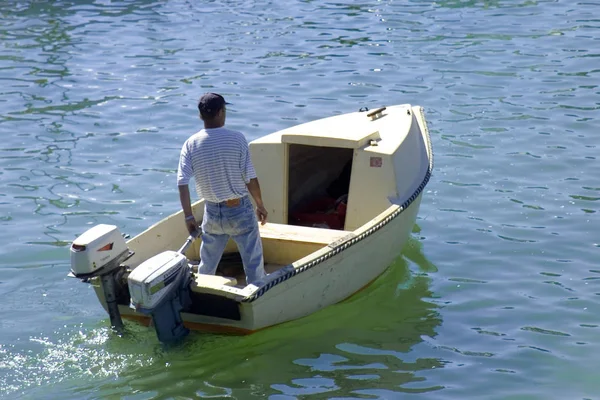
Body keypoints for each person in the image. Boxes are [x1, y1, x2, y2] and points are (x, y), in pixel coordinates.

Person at [177, 93, 268, 285]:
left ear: (200, 115)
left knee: (207, 264)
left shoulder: (191, 144)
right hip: (239, 209)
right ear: (220, 112)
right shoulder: (237, 139)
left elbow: (182, 183)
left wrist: (188, 217)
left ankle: (201, 293)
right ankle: (256, 293)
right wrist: (260, 205)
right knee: (253, 262)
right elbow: (250, 178)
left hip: (212, 211)